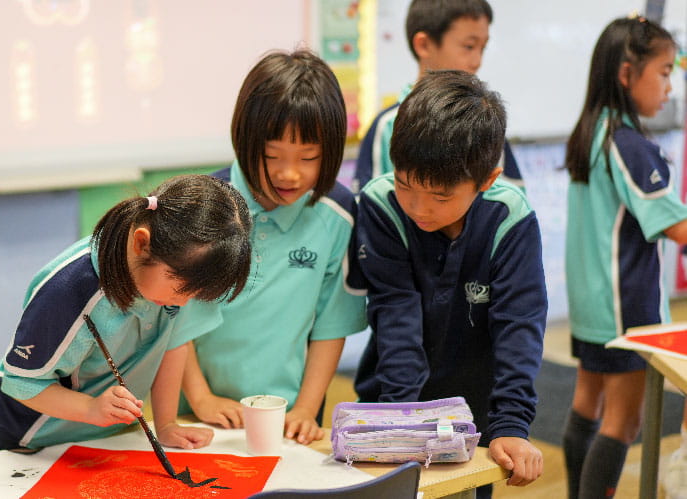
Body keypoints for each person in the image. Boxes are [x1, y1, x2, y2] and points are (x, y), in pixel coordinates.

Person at [353, 70, 547, 494]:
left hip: (474, 412)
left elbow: (519, 325)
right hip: (391, 398)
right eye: (406, 185)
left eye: (441, 196)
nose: (419, 208)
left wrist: (511, 422)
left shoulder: (510, 218)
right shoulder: (380, 206)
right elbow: (396, 315)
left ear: (487, 180)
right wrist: (400, 424)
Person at [0, 174, 253, 455]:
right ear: (141, 244)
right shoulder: (69, 287)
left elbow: (174, 343)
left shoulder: (177, 273)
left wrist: (167, 425)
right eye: (181, 290)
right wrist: (91, 408)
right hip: (28, 436)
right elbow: (20, 383)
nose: (183, 304)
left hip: (103, 436)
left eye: (194, 294)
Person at [180, 49, 367, 445]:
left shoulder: (338, 214)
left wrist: (305, 408)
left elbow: (331, 325)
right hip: (198, 416)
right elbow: (170, 315)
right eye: (271, 156)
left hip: (290, 420)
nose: (289, 173)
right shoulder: (201, 207)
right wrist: (201, 397)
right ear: (245, 141)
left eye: (309, 157)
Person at [562, 16, 686, 498]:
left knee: (587, 405)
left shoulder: (590, 133)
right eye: (664, 71)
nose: (669, 86)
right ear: (626, 74)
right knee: (624, 421)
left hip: (592, 303)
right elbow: (675, 226)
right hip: (625, 308)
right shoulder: (630, 145)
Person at [352, 0, 524, 195]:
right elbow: (369, 208)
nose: (478, 62)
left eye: (482, 48)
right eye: (469, 46)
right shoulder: (386, 126)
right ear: (424, 45)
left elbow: (513, 206)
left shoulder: (486, 122)